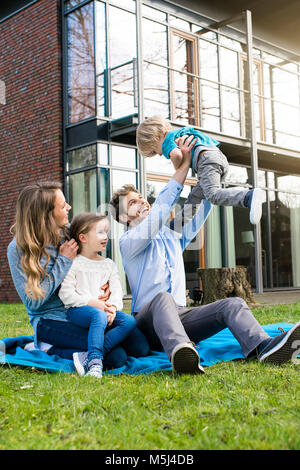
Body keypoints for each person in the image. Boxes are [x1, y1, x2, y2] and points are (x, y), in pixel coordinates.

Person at [110, 135, 300, 374]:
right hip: (149, 323)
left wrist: (209, 172)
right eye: (133, 204)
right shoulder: (128, 242)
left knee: (233, 304)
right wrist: (182, 167)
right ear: (124, 218)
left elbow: (197, 208)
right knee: (162, 298)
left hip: (181, 316)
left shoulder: (170, 235)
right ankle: (181, 352)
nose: (143, 203)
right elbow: (159, 213)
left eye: (142, 199)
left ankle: (263, 348)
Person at [7, 182, 149, 374]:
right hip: (50, 321)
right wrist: (63, 261)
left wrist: (103, 287)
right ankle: (48, 346)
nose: (69, 208)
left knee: (140, 347)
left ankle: (92, 352)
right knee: (117, 357)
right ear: (47, 215)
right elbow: (34, 303)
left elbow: (89, 264)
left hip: (84, 310)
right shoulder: (18, 249)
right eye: (63, 205)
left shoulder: (69, 233)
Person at [57, 212, 146, 378]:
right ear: (82, 238)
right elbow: (66, 294)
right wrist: (94, 303)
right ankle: (95, 362)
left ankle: (89, 354)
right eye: (100, 232)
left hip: (105, 312)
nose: (105, 237)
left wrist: (112, 307)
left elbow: (117, 291)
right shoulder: (74, 263)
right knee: (98, 315)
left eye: (106, 232)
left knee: (131, 325)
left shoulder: (108, 264)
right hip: (79, 310)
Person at [136, 115, 265, 225]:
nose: (159, 154)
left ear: (156, 138)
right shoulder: (180, 132)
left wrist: (179, 169)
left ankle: (247, 196)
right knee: (195, 197)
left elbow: (176, 155)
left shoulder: (168, 141)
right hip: (217, 158)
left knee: (213, 195)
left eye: (154, 151)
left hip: (206, 160)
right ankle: (175, 227)